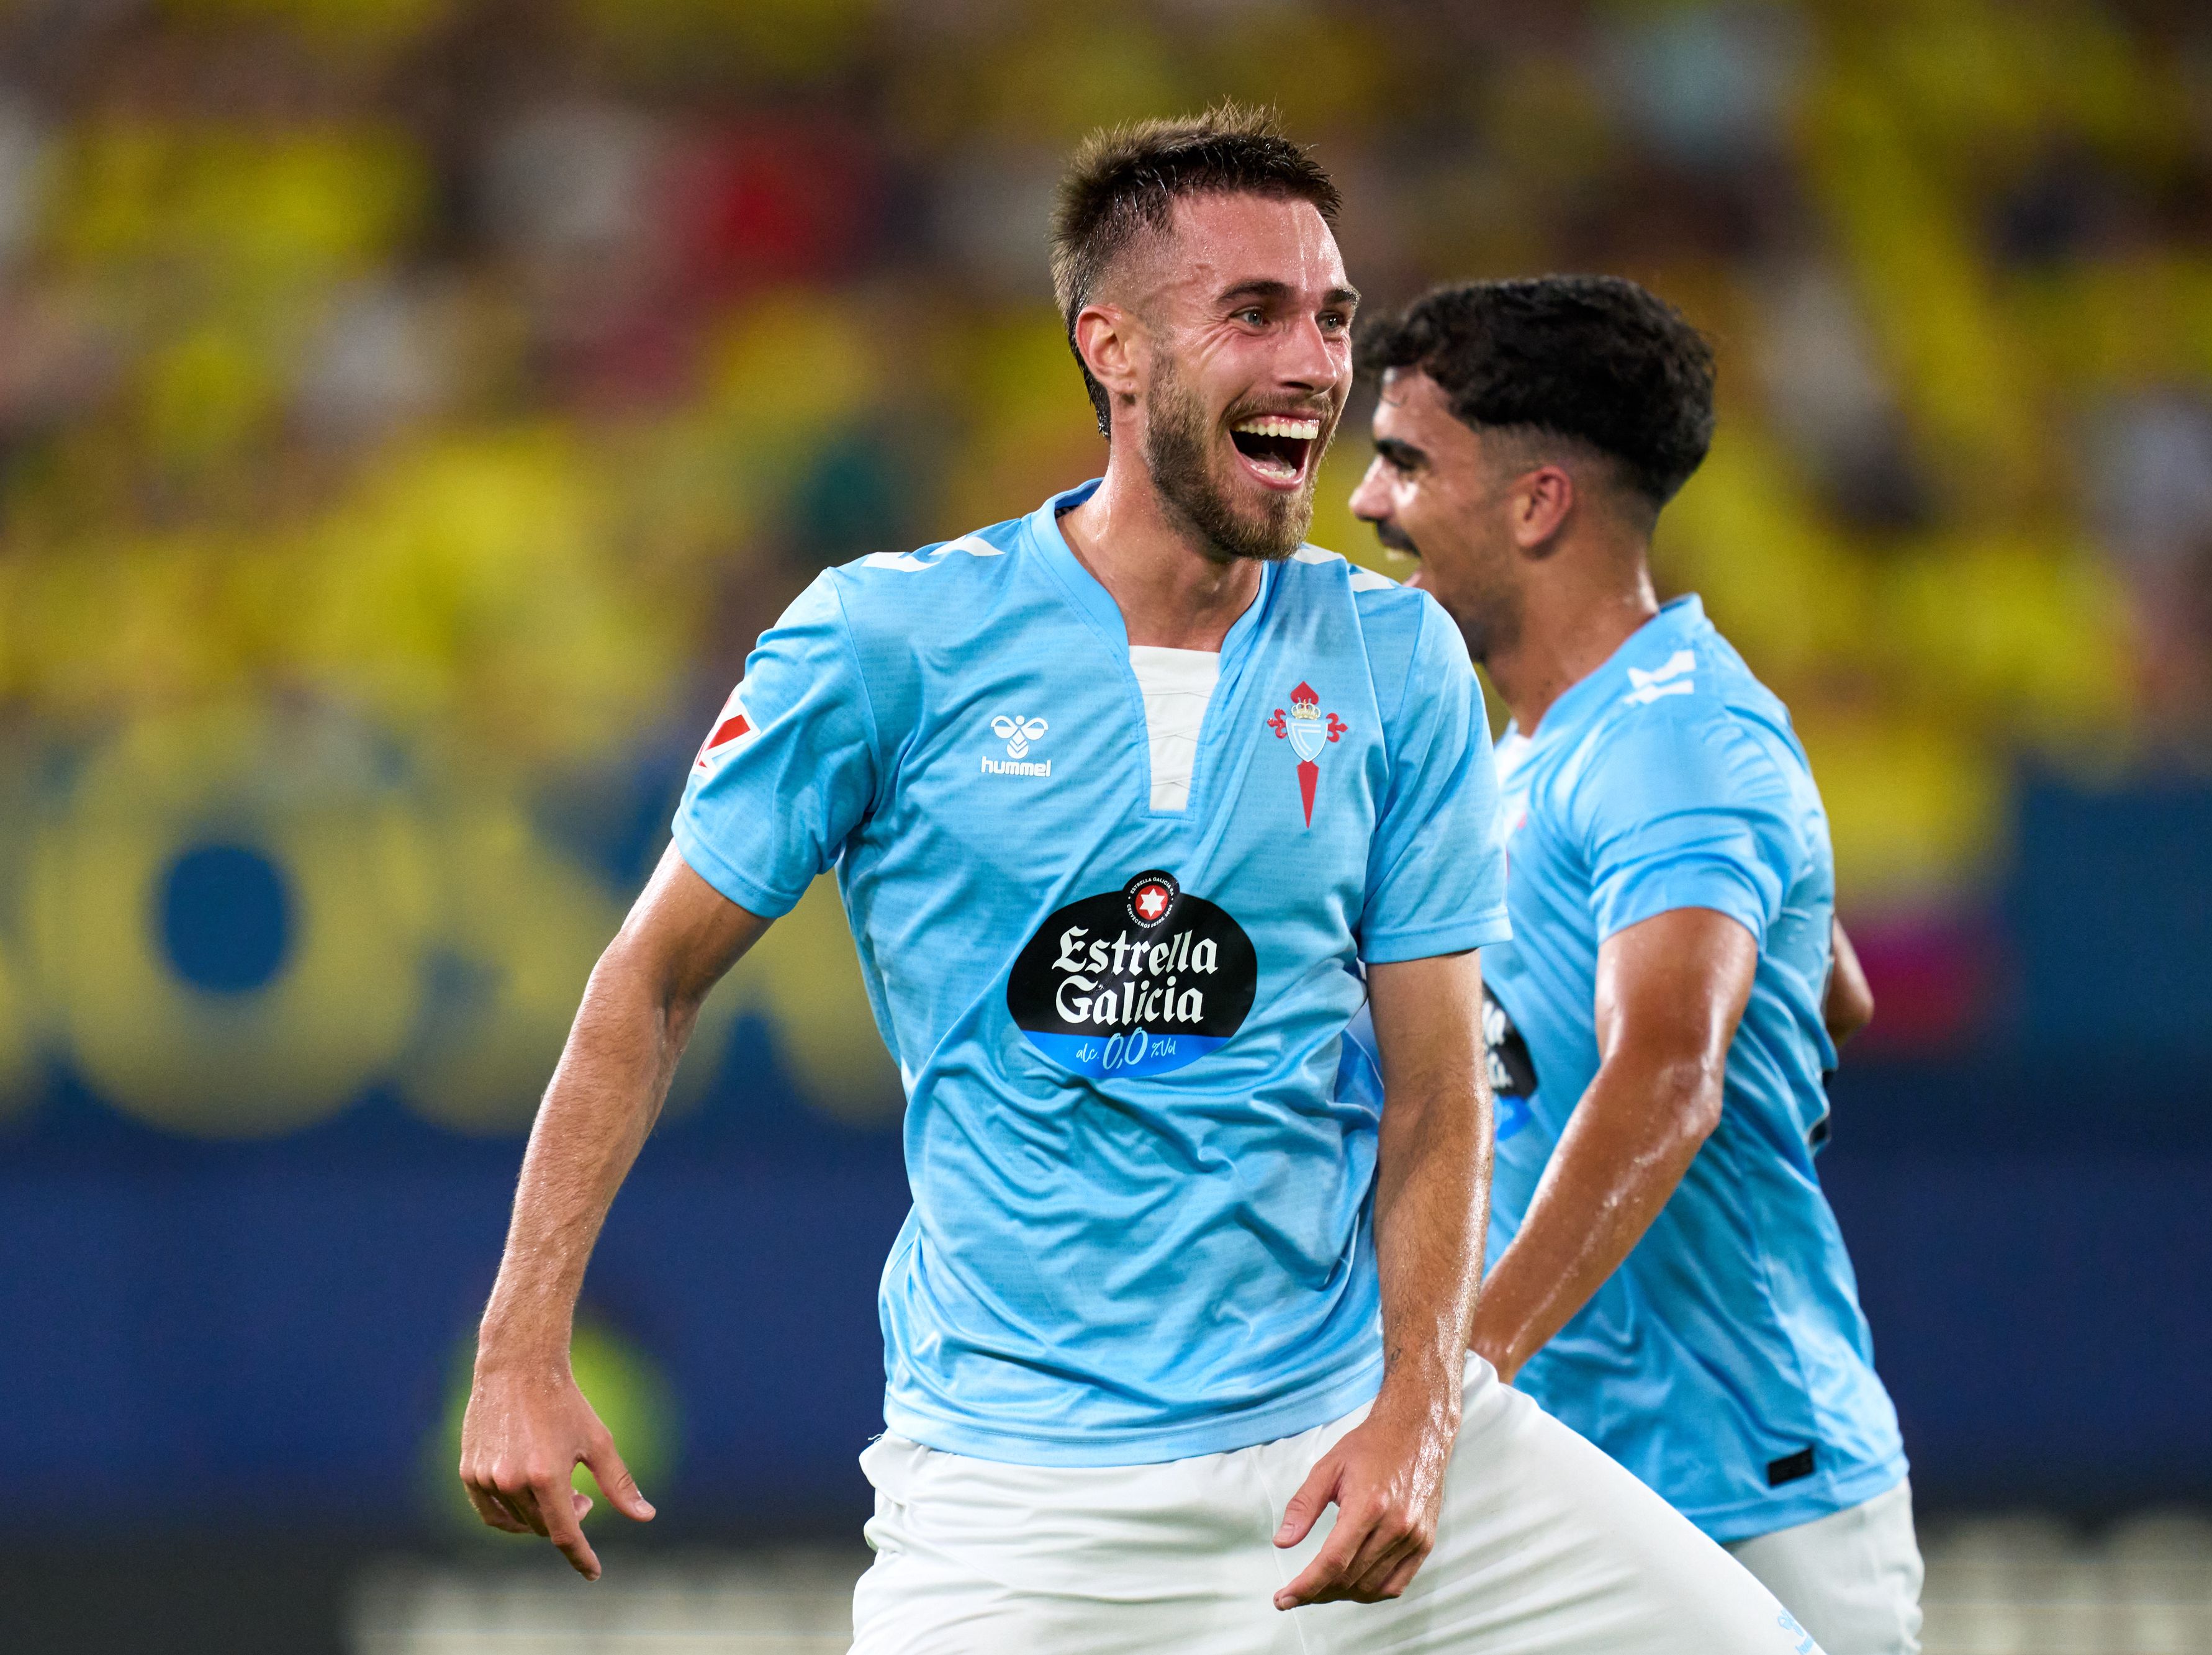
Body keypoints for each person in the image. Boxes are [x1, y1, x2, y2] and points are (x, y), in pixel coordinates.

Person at [457, 109, 1813, 1653]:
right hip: (1022, 1511)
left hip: (1336, 1434)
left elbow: (1435, 1085)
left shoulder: (1399, 659)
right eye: (1255, 313)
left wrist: (1421, 1405)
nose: (1315, 365)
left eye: (1333, 319)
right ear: (1112, 348)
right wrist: (519, 1340)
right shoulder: (885, 642)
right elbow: (651, 976)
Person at [1348, 275, 1924, 1655]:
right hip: (1579, 1490)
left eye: (1405, 463)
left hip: (1741, 1502)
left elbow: (1666, 1071)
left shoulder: (1669, 743)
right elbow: (1829, 991)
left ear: (1539, 502)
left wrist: (1445, 1380)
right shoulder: (1535, 753)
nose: (1367, 501)